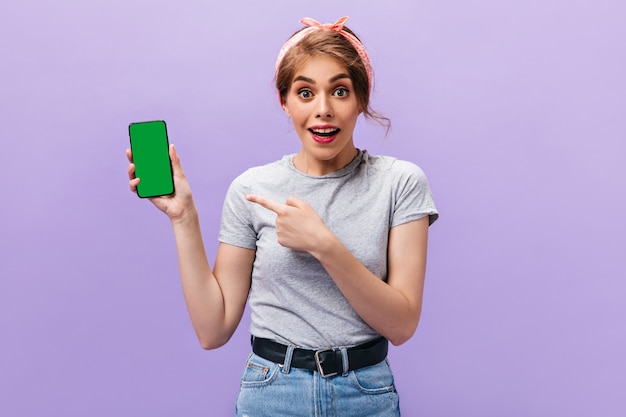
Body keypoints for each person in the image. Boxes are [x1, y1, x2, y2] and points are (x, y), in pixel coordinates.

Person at [126, 16, 438, 417]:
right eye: (305, 93)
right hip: (272, 393)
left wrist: (324, 246)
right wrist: (183, 217)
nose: (323, 110)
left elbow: (402, 325)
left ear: (361, 98)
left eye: (340, 91)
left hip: (366, 393)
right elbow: (213, 329)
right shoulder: (251, 189)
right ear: (284, 102)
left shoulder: (400, 182)